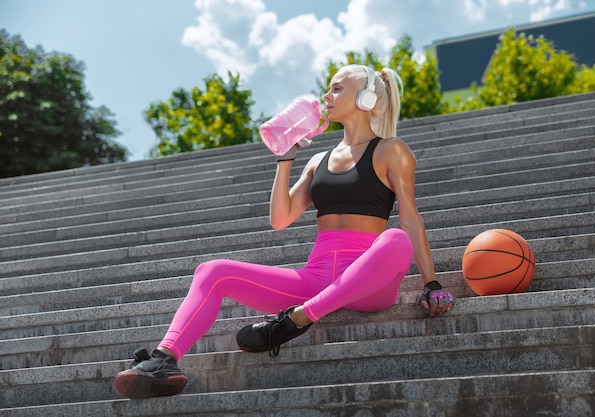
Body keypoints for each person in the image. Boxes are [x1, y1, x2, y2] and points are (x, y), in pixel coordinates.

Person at [113, 64, 454, 399]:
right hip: (316, 278)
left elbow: (410, 219)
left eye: (337, 89)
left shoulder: (390, 150)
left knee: (396, 237)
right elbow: (280, 218)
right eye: (328, 88)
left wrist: (431, 284)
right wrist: (284, 159)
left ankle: (295, 321)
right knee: (212, 271)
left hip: (369, 284)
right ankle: (164, 360)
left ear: (365, 98)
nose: (326, 96)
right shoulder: (317, 160)